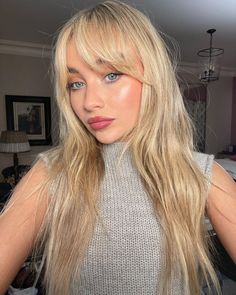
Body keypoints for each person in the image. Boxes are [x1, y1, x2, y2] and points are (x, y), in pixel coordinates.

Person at [0, 1, 236, 294]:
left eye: (111, 75)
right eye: (76, 83)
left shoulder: (202, 174)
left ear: (153, 79)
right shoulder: (52, 173)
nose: (88, 102)